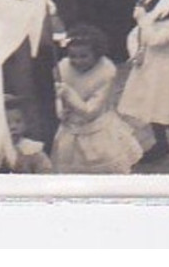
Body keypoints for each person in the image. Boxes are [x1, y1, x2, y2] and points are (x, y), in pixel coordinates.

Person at [116, 6, 169, 165]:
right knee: (151, 108)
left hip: (167, 74)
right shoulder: (151, 21)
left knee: (165, 111)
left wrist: (143, 19)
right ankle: (161, 143)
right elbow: (135, 36)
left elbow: (154, 40)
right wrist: (135, 54)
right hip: (148, 70)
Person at [52, 25, 143, 174]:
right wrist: (60, 110)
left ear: (97, 54)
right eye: (73, 56)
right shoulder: (63, 69)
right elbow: (59, 96)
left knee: (106, 166)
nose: (77, 61)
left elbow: (91, 112)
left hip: (97, 129)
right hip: (71, 128)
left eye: (83, 56)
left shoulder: (105, 73)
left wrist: (69, 94)